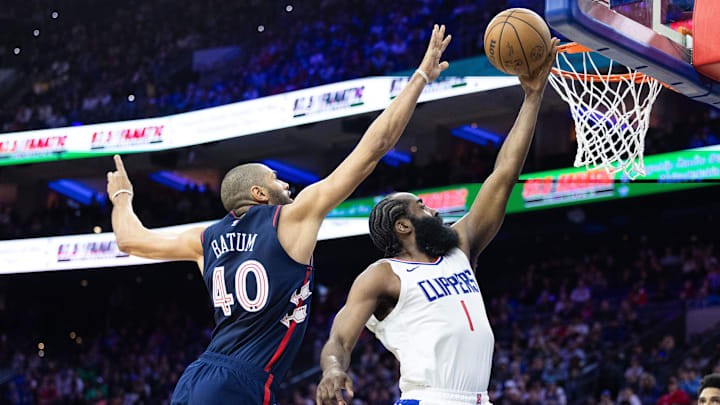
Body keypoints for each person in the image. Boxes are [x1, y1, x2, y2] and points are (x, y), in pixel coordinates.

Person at [105, 25, 452, 405]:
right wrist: (419, 79)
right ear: (258, 193)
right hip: (238, 383)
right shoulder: (290, 219)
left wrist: (122, 197)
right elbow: (372, 151)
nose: (286, 182)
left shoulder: (202, 240)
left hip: (195, 378)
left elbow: (130, 240)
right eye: (275, 178)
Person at [316, 38, 561, 405]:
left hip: (479, 398)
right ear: (402, 226)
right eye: (421, 206)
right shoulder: (383, 274)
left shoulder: (458, 247)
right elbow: (339, 339)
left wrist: (532, 96)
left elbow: (503, 175)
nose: (433, 210)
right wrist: (334, 368)